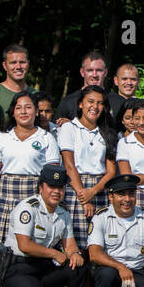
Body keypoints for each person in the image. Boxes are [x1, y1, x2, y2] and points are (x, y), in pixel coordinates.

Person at [0, 164, 87, 287]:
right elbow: (24, 245)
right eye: (51, 186)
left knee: (78, 266)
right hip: (18, 270)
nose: (56, 192)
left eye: (60, 187)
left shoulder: (63, 212)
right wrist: (54, 253)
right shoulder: (28, 208)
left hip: (43, 268)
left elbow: (70, 245)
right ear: (41, 187)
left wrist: (75, 254)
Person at [0, 91, 62, 244]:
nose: (23, 112)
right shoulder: (2, 137)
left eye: (28, 107)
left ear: (36, 111)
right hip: (7, 196)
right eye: (18, 108)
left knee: (33, 239)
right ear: (13, 112)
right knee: (4, 246)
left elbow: (52, 172)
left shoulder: (46, 138)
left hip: (34, 194)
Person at [57, 84, 118, 247]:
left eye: (100, 103)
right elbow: (69, 165)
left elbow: (111, 171)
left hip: (100, 188)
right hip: (76, 188)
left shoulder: (107, 132)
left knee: (99, 242)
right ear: (81, 104)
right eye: (90, 101)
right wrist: (84, 198)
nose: (95, 107)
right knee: (77, 242)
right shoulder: (69, 128)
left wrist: (94, 191)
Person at [57, 50, 124, 120]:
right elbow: (55, 129)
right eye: (90, 70)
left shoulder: (119, 102)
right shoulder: (68, 102)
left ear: (105, 72)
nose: (94, 75)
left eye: (99, 70)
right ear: (82, 72)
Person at [0, 44, 31, 130]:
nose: (18, 67)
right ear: (5, 66)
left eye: (22, 62)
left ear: (28, 64)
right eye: (13, 63)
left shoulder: (35, 94)